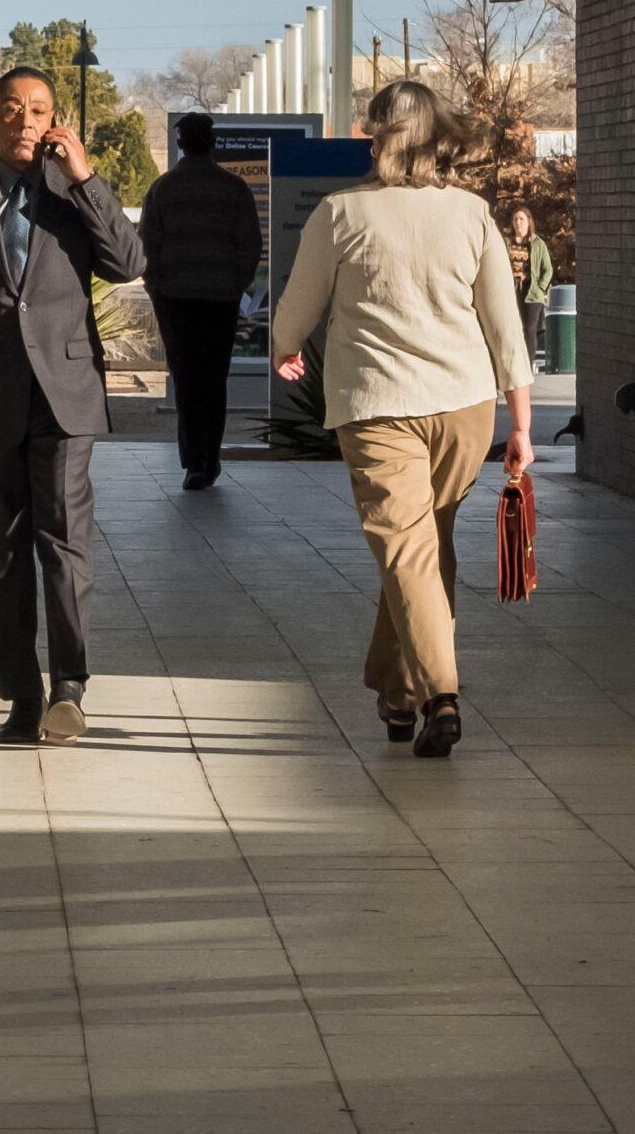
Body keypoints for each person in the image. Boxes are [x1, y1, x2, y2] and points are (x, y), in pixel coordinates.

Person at [271, 79, 534, 760]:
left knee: (408, 550)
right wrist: (522, 423)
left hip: (379, 407)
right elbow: (505, 327)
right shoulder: (472, 213)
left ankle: (440, 694)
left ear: (375, 135)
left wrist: (285, 346)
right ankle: (396, 691)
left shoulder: (341, 213)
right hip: (465, 407)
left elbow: (296, 309)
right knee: (425, 546)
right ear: (438, 136)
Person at [0, 67, 145, 745]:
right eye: (12, 109)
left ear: (55, 121)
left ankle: (69, 687)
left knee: (64, 540)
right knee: (0, 549)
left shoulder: (76, 195)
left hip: (65, 395)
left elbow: (128, 263)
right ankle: (21, 693)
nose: (25, 121)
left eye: (39, 110)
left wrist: (85, 177)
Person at [140, 111, 262, 491]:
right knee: (214, 379)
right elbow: (250, 246)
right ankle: (210, 458)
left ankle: (194, 462)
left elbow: (147, 248)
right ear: (213, 143)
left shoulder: (163, 189)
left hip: (175, 300)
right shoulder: (234, 188)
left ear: (180, 145)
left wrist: (157, 289)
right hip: (220, 299)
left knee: (187, 380)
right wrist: (234, 287)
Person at [505, 205, 554, 373]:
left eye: (521, 219)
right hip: (513, 291)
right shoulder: (506, 243)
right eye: (515, 219)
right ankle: (515, 363)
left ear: (528, 222)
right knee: (515, 327)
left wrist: (540, 287)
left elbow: (548, 269)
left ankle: (528, 364)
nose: (518, 222)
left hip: (532, 292)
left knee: (530, 329)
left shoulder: (537, 244)